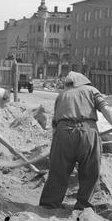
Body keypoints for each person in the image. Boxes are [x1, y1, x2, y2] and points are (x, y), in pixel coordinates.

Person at [39, 71, 112, 210]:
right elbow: (106, 110)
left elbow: (55, 124)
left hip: (63, 133)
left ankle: (49, 205)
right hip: (87, 132)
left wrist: (56, 148)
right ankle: (83, 206)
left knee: (58, 171)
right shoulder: (92, 90)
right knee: (90, 171)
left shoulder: (61, 96)